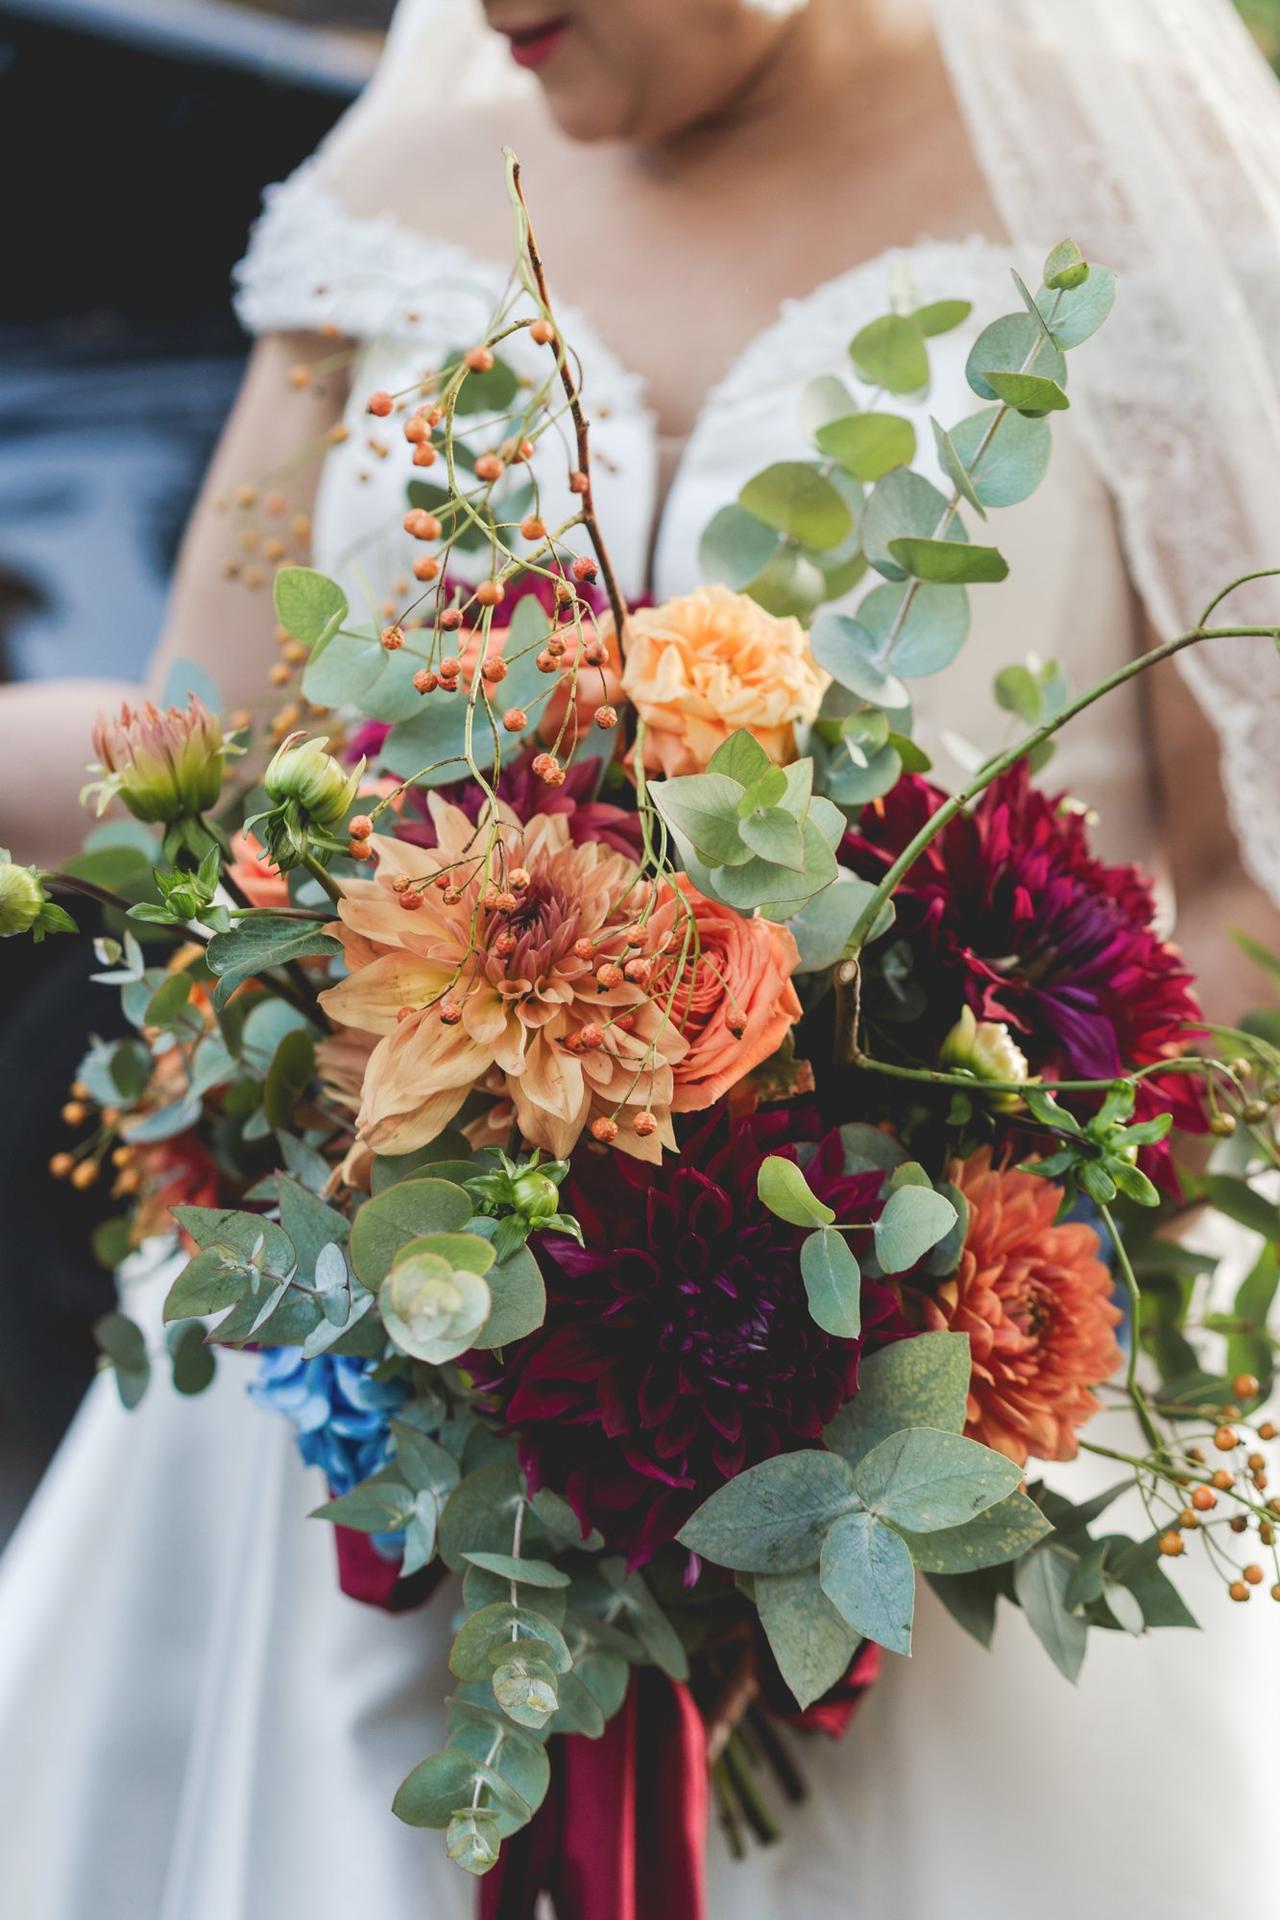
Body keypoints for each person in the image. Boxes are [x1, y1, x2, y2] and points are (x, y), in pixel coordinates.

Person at [2, 2, 1279, 1915]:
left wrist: (918, 1330)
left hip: (953, 1430)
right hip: (392, 1420)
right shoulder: (384, 198)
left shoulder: (1135, 221)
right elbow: (228, 753)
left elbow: (1243, 882)